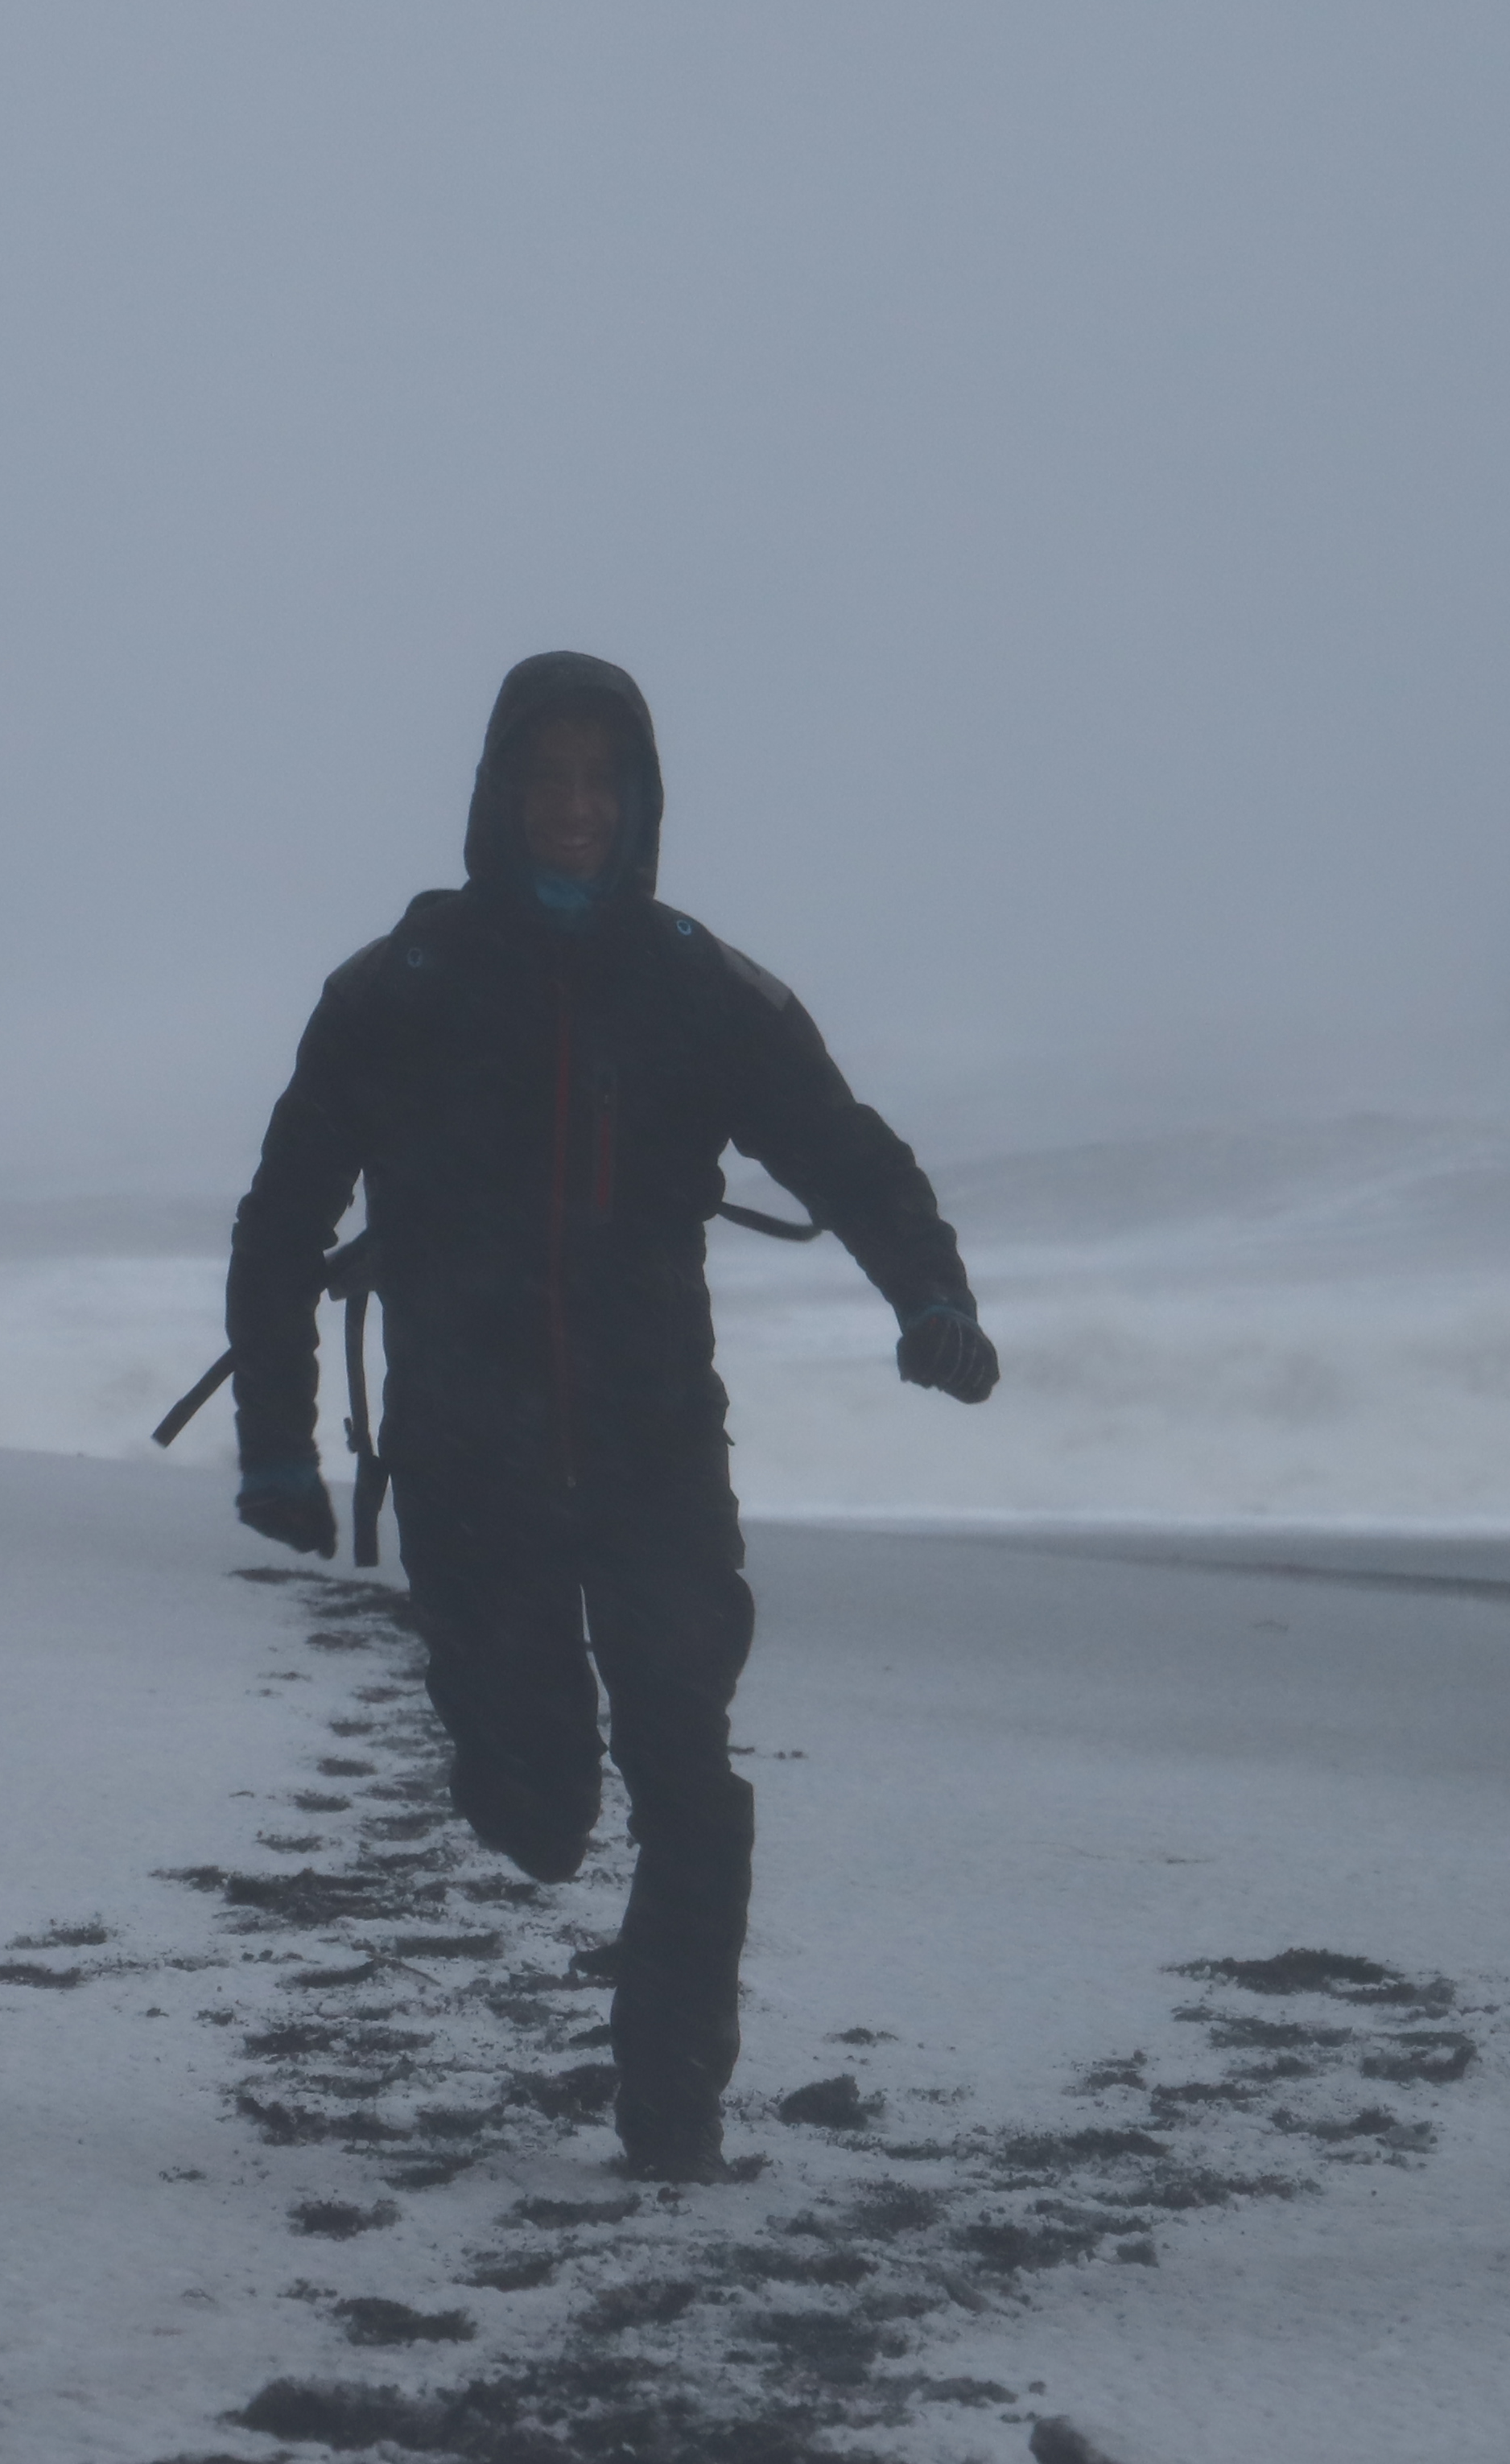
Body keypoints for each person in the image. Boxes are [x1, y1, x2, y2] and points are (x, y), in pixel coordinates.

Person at [225, 652, 998, 2180]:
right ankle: (512, 1767)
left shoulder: (699, 983)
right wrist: (276, 1441)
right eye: (548, 778)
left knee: (687, 1768)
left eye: (602, 781)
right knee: (541, 1811)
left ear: (638, 802)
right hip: (468, 1453)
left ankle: (672, 2117)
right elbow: (280, 1222)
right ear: (500, 797)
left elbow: (845, 1154)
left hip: (655, 1446)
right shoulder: (402, 988)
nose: (575, 807)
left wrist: (933, 1300)